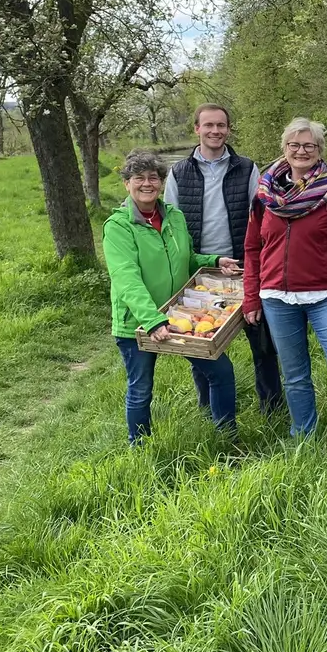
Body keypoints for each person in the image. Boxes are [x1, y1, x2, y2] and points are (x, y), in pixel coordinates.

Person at [240, 118, 327, 441]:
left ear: (320, 150)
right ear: (284, 149)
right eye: (294, 145)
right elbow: (252, 247)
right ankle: (303, 436)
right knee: (295, 376)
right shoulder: (265, 195)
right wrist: (251, 297)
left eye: (309, 146)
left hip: (326, 298)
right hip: (276, 298)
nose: (301, 151)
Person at [104, 150, 242, 445]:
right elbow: (126, 279)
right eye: (138, 178)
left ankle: (225, 439)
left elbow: (185, 258)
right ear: (127, 184)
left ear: (161, 182)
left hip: (182, 316)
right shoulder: (118, 227)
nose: (146, 184)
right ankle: (139, 448)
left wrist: (214, 260)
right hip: (139, 323)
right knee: (141, 388)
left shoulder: (175, 216)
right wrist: (154, 321)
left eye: (153, 177)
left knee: (220, 371)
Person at [163, 103, 285, 418]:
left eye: (221, 125)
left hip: (244, 268)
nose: (215, 131)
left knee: (262, 342)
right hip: (201, 270)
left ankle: (271, 407)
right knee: (201, 342)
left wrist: (255, 262)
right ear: (197, 129)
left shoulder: (246, 168)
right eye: (209, 125)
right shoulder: (179, 172)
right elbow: (172, 222)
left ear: (228, 129)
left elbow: (261, 217)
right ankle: (208, 409)